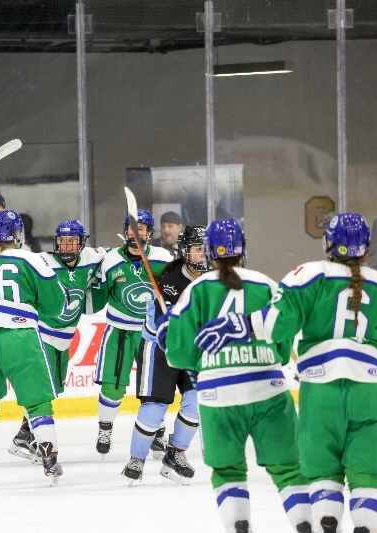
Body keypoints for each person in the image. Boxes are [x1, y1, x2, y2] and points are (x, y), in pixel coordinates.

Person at [195, 213, 377, 533]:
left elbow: (277, 325)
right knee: (367, 473)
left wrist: (241, 324)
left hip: (321, 389)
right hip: (370, 392)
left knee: (323, 470)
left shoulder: (308, 275)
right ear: (366, 246)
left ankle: (327, 520)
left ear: (329, 244)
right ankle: (367, 525)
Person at [157, 219, 311, 533]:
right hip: (268, 389)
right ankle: (306, 525)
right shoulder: (267, 284)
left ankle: (240, 526)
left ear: (210, 252)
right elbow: (282, 347)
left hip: (218, 394)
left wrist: (172, 338)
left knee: (228, 471)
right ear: (243, 250)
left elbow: (178, 354)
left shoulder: (197, 289)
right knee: (289, 470)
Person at [0, 209, 68, 486]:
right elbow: (56, 306)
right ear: (18, 234)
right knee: (37, 401)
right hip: (20, 338)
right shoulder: (33, 260)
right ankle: (49, 460)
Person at [8, 219, 107, 463]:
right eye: (62, 241)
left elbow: (113, 255)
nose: (66, 246)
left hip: (65, 339)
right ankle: (23, 436)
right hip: (42, 336)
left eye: (72, 240)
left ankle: (25, 434)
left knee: (53, 389)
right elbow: (15, 262)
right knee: (43, 389)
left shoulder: (91, 259)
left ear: (81, 243)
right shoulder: (43, 262)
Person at [120, 226, 205, 486]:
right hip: (159, 349)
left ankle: (175, 454)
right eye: (197, 250)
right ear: (184, 252)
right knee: (155, 408)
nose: (202, 255)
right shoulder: (168, 283)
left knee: (196, 403)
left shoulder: (215, 280)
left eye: (206, 250)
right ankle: (137, 459)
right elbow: (161, 325)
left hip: (192, 351)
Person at [89, 209, 172, 456]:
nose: (136, 232)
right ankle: (105, 428)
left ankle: (157, 431)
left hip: (152, 334)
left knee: (156, 388)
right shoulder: (111, 260)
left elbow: (173, 291)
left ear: (149, 232)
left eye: (142, 228)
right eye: (132, 228)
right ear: (125, 231)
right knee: (112, 387)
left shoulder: (163, 258)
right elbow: (98, 297)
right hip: (120, 331)